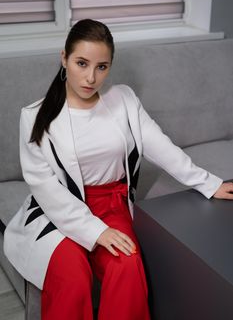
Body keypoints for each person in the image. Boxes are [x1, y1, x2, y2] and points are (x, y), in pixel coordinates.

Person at [3, 19, 233, 320]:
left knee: (127, 264)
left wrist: (208, 183)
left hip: (112, 204)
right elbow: (46, 190)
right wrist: (96, 232)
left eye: (102, 66)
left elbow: (160, 147)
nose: (91, 77)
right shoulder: (34, 117)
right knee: (71, 275)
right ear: (64, 58)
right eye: (82, 63)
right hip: (57, 211)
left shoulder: (123, 100)